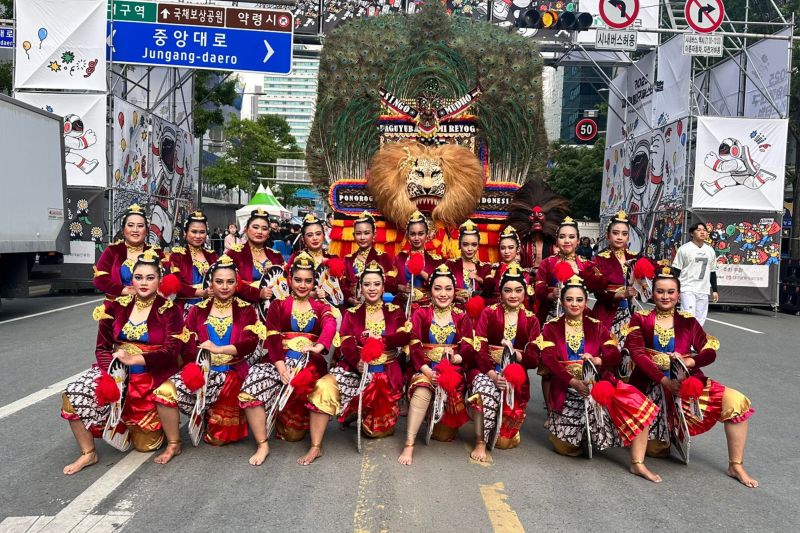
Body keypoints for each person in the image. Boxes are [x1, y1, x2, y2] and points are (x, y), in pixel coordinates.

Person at [624, 265, 758, 488]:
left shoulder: (688, 321)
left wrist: (690, 361)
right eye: (660, 291)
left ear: (678, 295)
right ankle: (637, 463)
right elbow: (637, 354)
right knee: (654, 445)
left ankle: (736, 465)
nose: (665, 296)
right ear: (652, 293)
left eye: (670, 292)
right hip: (649, 384)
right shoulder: (640, 318)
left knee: (737, 402)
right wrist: (664, 380)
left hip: (685, 384)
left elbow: (709, 350)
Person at [61, 251, 183, 474]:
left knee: (146, 446)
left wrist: (136, 359)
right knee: (72, 395)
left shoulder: (170, 309)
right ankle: (88, 453)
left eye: (150, 277)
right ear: (131, 279)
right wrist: (110, 374)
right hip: (116, 371)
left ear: (160, 280)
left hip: (150, 376)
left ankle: (172, 440)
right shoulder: (115, 306)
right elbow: (102, 347)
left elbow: (172, 350)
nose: (143, 283)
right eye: (138, 277)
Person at [539, 275, 662, 483]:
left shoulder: (596, 325)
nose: (574, 304)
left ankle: (637, 463)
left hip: (598, 386)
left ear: (586, 302)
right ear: (562, 301)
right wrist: (573, 382)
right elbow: (549, 360)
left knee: (640, 407)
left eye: (579, 300)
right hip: (568, 388)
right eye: (569, 299)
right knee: (565, 447)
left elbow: (614, 352)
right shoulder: (551, 327)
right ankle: (583, 434)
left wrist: (597, 359)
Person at [152, 256, 265, 463]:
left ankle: (209, 414)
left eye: (230, 282)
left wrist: (220, 348)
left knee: (217, 439)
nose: (224, 287)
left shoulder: (246, 309)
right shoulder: (198, 310)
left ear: (237, 283)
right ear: (210, 283)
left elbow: (250, 343)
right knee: (164, 392)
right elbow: (186, 346)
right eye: (219, 281)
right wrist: (193, 365)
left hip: (231, 374)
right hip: (202, 372)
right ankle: (174, 444)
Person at [305, 261, 411, 462]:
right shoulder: (351, 314)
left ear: (383, 286)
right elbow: (345, 343)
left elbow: (404, 336)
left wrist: (382, 340)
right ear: (359, 287)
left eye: (376, 284)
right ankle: (315, 446)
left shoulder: (395, 311)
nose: (372, 289)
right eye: (367, 284)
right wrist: (357, 362)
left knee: (375, 432)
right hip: (356, 369)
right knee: (323, 386)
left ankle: (355, 413)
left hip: (386, 374)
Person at [238, 252, 337, 466]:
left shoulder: (321, 307)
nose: (302, 285)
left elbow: (330, 325)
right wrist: (281, 368)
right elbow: (272, 338)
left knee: (327, 387)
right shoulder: (278, 305)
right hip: (279, 362)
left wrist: (317, 347)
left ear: (314, 282)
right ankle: (262, 444)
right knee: (250, 388)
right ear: (289, 280)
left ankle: (316, 447)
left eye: (308, 281)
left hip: (310, 364)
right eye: (298, 280)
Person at [399, 264, 474, 465]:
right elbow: (414, 345)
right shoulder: (420, 313)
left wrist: (455, 358)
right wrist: (425, 370)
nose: (443, 294)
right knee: (423, 388)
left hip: (452, 372)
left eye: (448, 289)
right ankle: (409, 444)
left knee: (442, 435)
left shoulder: (462, 316)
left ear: (454, 290)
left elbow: (467, 347)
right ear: (430, 290)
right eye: (437, 288)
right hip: (424, 368)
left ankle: (434, 414)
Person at [468, 263, 540, 460]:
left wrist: (516, 356)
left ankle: (499, 428)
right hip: (487, 371)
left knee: (504, 443)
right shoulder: (489, 312)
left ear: (526, 293)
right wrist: (492, 374)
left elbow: (534, 359)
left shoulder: (532, 319)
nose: (513, 295)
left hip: (515, 378)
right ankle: (480, 442)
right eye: (507, 290)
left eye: (518, 290)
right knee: (483, 391)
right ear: (500, 293)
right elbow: (479, 350)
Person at [534, 216, 603, 326]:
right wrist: (551, 295)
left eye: (571, 237)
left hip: (580, 317)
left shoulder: (586, 264)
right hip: (552, 315)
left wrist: (580, 273)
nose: (567, 241)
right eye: (562, 237)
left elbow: (599, 286)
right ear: (556, 240)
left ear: (578, 241)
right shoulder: (547, 263)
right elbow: (538, 289)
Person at [93, 204, 163, 298]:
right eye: (130, 225)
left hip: (150, 306)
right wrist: (123, 290)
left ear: (146, 231)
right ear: (123, 230)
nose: (135, 230)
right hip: (117, 306)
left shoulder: (156, 252)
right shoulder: (113, 250)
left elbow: (169, 279)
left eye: (140, 226)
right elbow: (99, 279)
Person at [591, 211, 641, 336]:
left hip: (632, 310)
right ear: (608, 236)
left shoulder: (636, 257)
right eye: (615, 233)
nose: (620, 237)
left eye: (624, 234)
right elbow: (598, 291)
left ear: (628, 237)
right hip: (607, 311)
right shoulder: (599, 259)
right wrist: (620, 294)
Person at [224, 209, 285, 304]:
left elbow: (286, 281)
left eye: (264, 229)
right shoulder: (234, 254)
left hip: (272, 310)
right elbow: (230, 282)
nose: (260, 232)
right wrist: (258, 293)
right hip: (243, 309)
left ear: (268, 233)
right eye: (255, 227)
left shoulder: (276, 255)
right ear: (246, 229)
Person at [342, 211, 397, 306]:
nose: (362, 237)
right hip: (354, 305)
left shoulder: (383, 257)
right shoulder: (348, 259)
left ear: (374, 235)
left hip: (378, 304)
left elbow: (392, 285)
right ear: (353, 236)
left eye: (366, 233)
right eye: (358, 233)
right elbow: (343, 286)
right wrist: (350, 299)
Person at [167, 211, 218, 310]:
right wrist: (202, 293)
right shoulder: (177, 256)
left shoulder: (212, 255)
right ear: (185, 233)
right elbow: (176, 285)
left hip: (211, 308)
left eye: (202, 232)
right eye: (194, 232)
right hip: (185, 308)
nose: (198, 236)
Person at [394, 210, 443, 312]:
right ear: (408, 236)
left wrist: (419, 271)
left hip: (428, 308)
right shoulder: (400, 257)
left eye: (420, 234)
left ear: (427, 235)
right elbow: (389, 283)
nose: (416, 238)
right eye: (413, 234)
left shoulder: (436, 261)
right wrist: (402, 288)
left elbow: (441, 285)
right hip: (404, 305)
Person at [671, 222, 719, 325]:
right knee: (688, 315)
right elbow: (676, 271)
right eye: (698, 230)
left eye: (704, 230)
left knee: (700, 319)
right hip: (687, 288)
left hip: (703, 289)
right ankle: (685, 339)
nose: (702, 232)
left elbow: (712, 271)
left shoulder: (710, 251)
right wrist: (674, 289)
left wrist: (715, 290)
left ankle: (695, 340)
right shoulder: (684, 249)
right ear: (692, 233)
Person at [446, 219, 491, 309]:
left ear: (478, 246)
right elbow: (440, 288)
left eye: (474, 245)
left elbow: (491, 293)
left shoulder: (485, 267)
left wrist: (478, 279)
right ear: (459, 245)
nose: (470, 249)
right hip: (455, 312)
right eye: (465, 244)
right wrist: (455, 296)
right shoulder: (450, 265)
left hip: (478, 313)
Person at [482, 226, 530, 306]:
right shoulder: (492, 270)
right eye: (503, 248)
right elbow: (486, 295)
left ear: (517, 249)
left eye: (510, 248)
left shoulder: (524, 274)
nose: (506, 251)